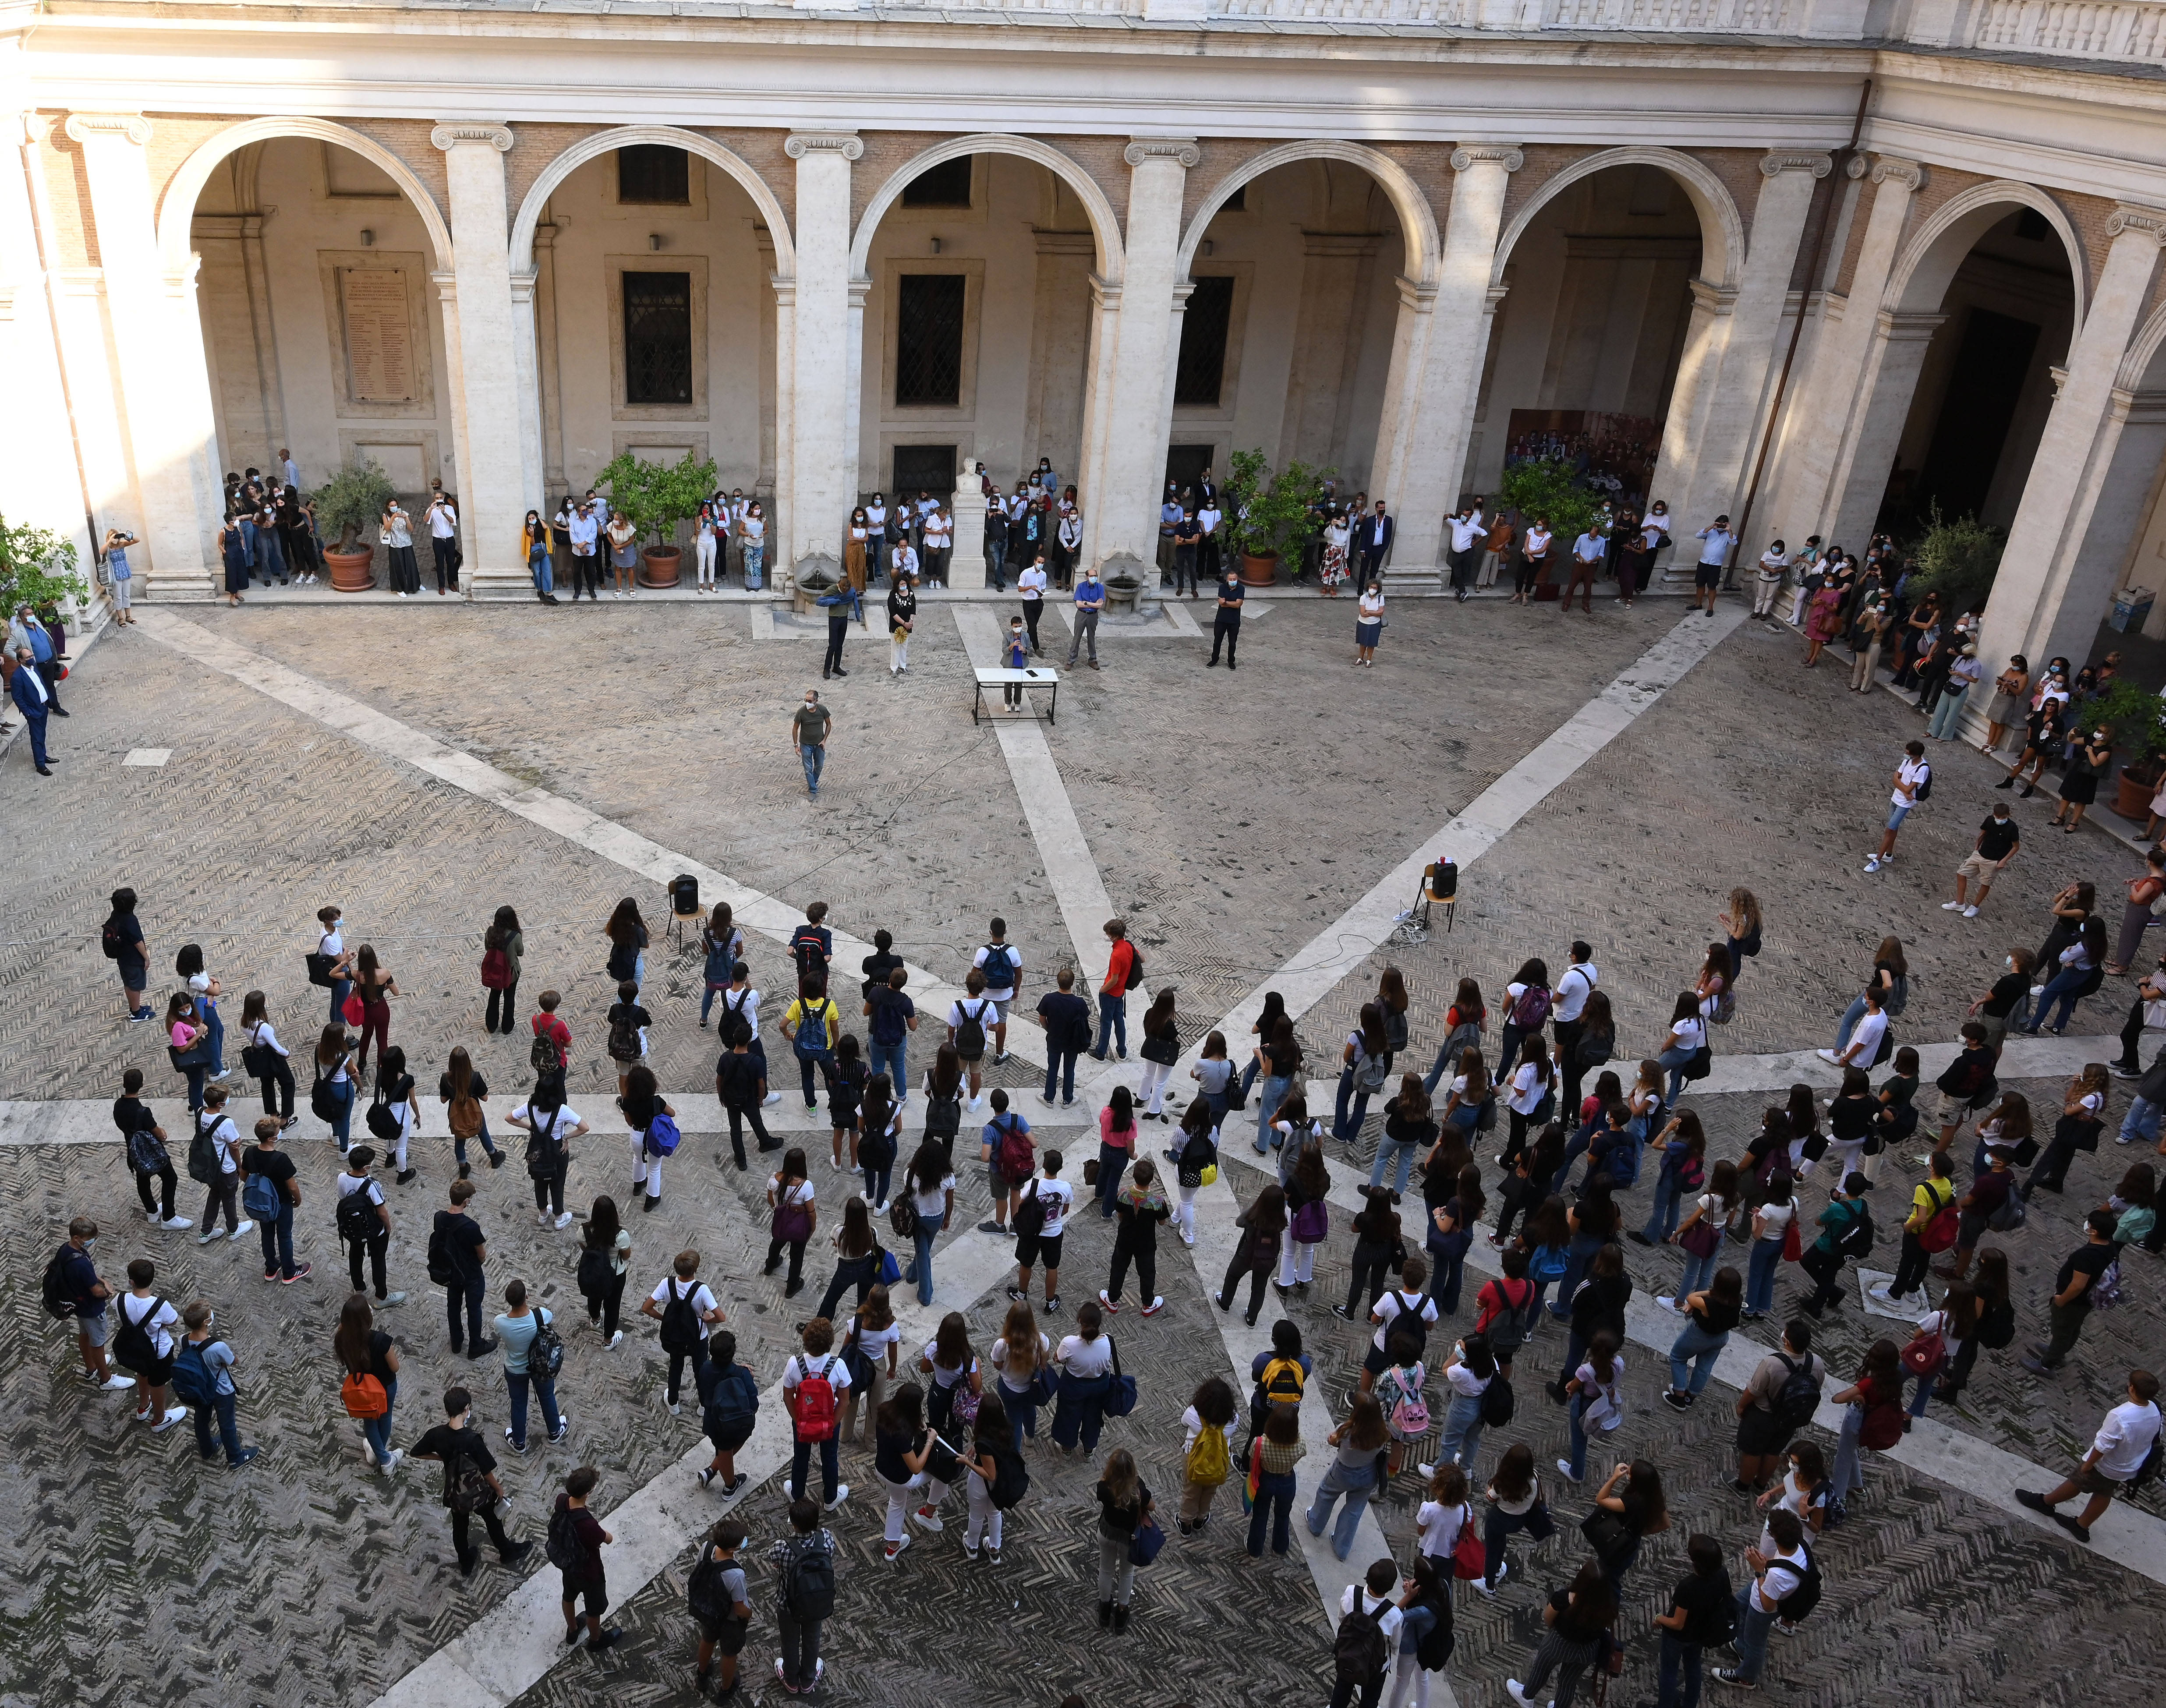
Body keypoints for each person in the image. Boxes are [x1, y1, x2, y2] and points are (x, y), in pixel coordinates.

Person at [2017, 1369, 2162, 1542]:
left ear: (2132, 1389)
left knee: (2077, 1481)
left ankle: (2045, 1503)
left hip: (2105, 1465)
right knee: (2104, 1492)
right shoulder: (2154, 1409)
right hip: (2129, 1465)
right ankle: (2081, 1525)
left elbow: (2103, 1445)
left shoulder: (2121, 1415)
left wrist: (2088, 1465)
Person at [409, 1384, 534, 1577]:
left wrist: (441, 1457)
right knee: (492, 1520)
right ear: (466, 1409)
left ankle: (465, 1561)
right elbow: (486, 1471)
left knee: (460, 1527)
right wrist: (499, 1489)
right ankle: (507, 1552)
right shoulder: (472, 1439)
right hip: (479, 1491)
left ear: (447, 1410)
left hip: (456, 1492)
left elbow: (416, 1452)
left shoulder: (436, 1435)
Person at [1713, 1507, 1812, 1690]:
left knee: (1756, 1642)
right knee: (1740, 1604)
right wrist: (1767, 1565)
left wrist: (1759, 1570)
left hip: (1764, 1602)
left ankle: (1746, 1677)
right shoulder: (1802, 1545)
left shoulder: (1777, 1575)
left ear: (1777, 1539)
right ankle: (1742, 1647)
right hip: (1769, 1587)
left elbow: (1767, 1606)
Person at [2023, 1209, 2122, 1374]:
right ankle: (2057, 1351)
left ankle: (2047, 1363)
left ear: (2094, 1231)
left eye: (2089, 1224)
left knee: (2062, 1331)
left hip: (2073, 1302)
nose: (2087, 1225)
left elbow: (2078, 1285)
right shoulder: (2110, 1246)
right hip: (2085, 1302)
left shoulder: (2087, 1256)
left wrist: (2061, 1300)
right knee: (2072, 1329)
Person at [1733, 1319, 1823, 1494]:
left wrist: (1741, 1406)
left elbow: (1754, 1390)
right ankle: (1760, 1486)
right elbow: (1816, 1388)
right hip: (1790, 1418)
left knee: (1752, 1451)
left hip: (1762, 1416)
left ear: (1787, 1341)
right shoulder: (1817, 1363)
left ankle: (1742, 1487)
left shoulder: (1772, 1364)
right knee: (1773, 1451)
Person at [1651, 1533, 1733, 1708]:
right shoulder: (1722, 1575)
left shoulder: (1687, 1586)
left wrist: (1659, 1618)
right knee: (1694, 1667)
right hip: (1701, 1633)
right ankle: (1689, 1704)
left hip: (1678, 1638)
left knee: (1669, 1672)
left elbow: (1677, 1623)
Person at [644, 1248, 726, 1416]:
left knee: (675, 1367)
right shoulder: (702, 1290)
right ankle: (703, 1405)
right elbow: (721, 1317)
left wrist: (665, 1319)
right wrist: (708, 1320)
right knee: (700, 1370)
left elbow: (647, 1308)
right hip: (698, 1337)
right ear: (695, 1269)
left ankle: (673, 1403)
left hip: (675, 1336)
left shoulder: (666, 1284)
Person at [782, 1316, 852, 1511]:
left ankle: (797, 1496)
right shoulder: (838, 1366)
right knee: (830, 1458)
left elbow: (788, 1397)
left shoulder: (794, 1365)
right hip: (829, 1420)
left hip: (802, 1420)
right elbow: (845, 1400)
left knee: (801, 1458)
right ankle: (830, 1499)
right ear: (830, 1342)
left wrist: (800, 1423)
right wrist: (831, 1424)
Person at [551, 1466, 622, 1652]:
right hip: (589, 1572)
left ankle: (573, 1630)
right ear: (588, 1493)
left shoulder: (561, 1501)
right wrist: (603, 1534)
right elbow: (607, 1539)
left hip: (569, 1565)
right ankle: (596, 1640)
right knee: (594, 1609)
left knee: (568, 1595)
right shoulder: (588, 1524)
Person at [771, 1494, 835, 1692]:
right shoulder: (826, 1539)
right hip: (816, 1601)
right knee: (812, 1639)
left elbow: (773, 1559)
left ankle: (791, 1680)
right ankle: (808, 1680)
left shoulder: (783, 1547)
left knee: (789, 1641)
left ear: (794, 1525)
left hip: (788, 1604)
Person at [240, 1115, 309, 1285]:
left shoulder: (249, 1152)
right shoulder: (281, 1159)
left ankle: (271, 1268)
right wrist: (298, 1200)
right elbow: (292, 1187)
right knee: (285, 1237)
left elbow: (243, 1176)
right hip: (282, 1203)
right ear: (272, 1138)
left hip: (263, 1203)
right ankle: (290, 1272)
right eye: (279, 1131)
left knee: (267, 1234)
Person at [687, 1520, 753, 1697]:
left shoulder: (707, 1548)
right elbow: (739, 1608)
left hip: (709, 1611)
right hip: (729, 1620)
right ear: (733, 1549)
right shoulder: (736, 1575)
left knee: (707, 1640)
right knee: (729, 1654)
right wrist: (749, 1614)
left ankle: (702, 1675)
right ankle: (726, 1689)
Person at [1094, 1448, 1154, 1634]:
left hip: (1107, 1533)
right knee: (1127, 1574)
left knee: (1106, 1569)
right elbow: (1152, 1506)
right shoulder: (1138, 1489)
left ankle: (1105, 1609)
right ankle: (1121, 1613)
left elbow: (1101, 1494)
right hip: (1129, 1538)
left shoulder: (1104, 1487)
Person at [1011, 1148, 1072, 1315]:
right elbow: (1065, 1210)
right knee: (1052, 1267)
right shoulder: (1066, 1188)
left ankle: (1021, 1294)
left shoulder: (1034, 1184)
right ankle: (1050, 1301)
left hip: (1033, 1233)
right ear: (1060, 1168)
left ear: (1044, 1166)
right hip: (1054, 1234)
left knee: (1026, 1263)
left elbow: (1022, 1203)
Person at [715, 1018, 779, 1169]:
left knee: (735, 1130)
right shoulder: (756, 1061)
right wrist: (761, 1099)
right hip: (749, 1099)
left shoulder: (725, 1058)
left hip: (731, 1099)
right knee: (757, 1122)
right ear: (750, 1040)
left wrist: (721, 1096)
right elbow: (761, 1084)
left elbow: (719, 1079)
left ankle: (741, 1160)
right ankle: (765, 1142)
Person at [1943, 802, 2021, 920]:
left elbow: (2016, 847)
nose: (2000, 820)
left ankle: (1975, 906)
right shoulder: (1990, 820)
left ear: (2008, 815)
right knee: (1961, 873)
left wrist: (2004, 860)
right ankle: (1959, 903)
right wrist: (1976, 848)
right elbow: (1983, 834)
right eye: (1998, 817)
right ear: (1994, 815)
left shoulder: (2012, 828)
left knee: (1985, 883)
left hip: (1994, 860)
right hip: (1980, 854)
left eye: (2003, 818)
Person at [900, 1140, 955, 1307]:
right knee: (924, 1248)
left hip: (918, 1218)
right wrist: (947, 1218)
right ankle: (912, 1274)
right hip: (937, 1219)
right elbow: (950, 1202)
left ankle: (925, 1293)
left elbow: (907, 1196)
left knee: (923, 1253)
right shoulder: (948, 1178)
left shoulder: (911, 1175)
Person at [1865, 739, 1931, 873]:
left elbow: (1906, 787)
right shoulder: (1907, 761)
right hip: (1896, 799)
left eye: (1908, 752)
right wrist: (1901, 786)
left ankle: (1877, 860)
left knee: (1890, 830)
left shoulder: (1922, 769)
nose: (1905, 754)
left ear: (1915, 754)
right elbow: (1897, 778)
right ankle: (1888, 855)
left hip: (1904, 804)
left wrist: (1899, 784)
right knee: (1893, 829)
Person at [579, 1195, 631, 1349]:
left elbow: (584, 1248)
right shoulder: (621, 1236)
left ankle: (595, 1320)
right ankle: (608, 1341)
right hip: (615, 1275)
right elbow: (627, 1255)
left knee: (594, 1297)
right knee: (613, 1307)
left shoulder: (584, 1231)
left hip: (594, 1272)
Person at [1037, 966, 1092, 1108]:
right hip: (1072, 1042)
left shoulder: (1049, 999)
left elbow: (1042, 1018)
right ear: (1073, 983)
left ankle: (1049, 1098)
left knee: (1052, 1068)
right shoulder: (1079, 1003)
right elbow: (1085, 1019)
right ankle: (1068, 1099)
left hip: (1054, 1039)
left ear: (1057, 982)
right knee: (1069, 1069)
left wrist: (1049, 1029)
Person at [792, 688, 831, 799]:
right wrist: (796, 745)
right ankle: (813, 790)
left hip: (819, 744)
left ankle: (813, 782)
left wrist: (824, 740)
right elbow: (795, 728)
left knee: (819, 766)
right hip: (806, 745)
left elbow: (829, 725)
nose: (807, 703)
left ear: (816, 701)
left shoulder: (822, 710)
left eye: (810, 701)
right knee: (808, 768)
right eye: (806, 700)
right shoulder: (801, 712)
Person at [1207, 560, 1244, 668]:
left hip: (1234, 621)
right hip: (1221, 620)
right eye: (1231, 579)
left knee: (1232, 643)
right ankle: (1214, 659)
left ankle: (1231, 661)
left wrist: (1227, 602)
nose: (1233, 581)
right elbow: (1221, 604)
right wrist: (1231, 603)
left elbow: (1238, 604)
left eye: (1235, 579)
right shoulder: (1222, 588)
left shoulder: (1241, 589)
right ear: (1227, 580)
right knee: (1217, 641)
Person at [1068, 564, 1104, 671]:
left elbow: (1100, 605)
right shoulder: (1081, 587)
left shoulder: (1100, 587)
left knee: (1091, 638)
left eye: (1095, 576)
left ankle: (1093, 659)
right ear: (1086, 577)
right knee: (1077, 638)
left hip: (1093, 616)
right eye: (1092, 576)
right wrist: (1093, 604)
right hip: (1082, 615)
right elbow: (1079, 605)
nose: (1094, 578)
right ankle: (1071, 661)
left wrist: (1086, 603)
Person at [1354, 579, 1386, 667]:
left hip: (1375, 624)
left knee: (1372, 643)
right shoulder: (1363, 598)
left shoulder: (1381, 598)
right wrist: (1374, 612)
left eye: (1375, 588)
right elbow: (1363, 613)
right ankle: (1360, 658)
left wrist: (1369, 611)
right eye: (1371, 587)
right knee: (1362, 642)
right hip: (1363, 623)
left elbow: (1381, 613)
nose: (1372, 589)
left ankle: (1369, 660)